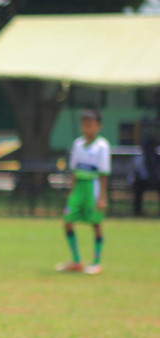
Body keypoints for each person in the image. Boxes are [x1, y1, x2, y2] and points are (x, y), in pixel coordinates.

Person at [56, 109, 110, 275]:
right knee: (68, 221)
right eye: (85, 125)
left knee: (96, 224)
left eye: (91, 125)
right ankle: (77, 261)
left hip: (93, 187)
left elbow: (104, 174)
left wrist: (102, 197)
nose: (88, 129)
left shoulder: (102, 146)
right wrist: (72, 193)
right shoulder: (78, 144)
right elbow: (74, 170)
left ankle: (96, 261)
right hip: (79, 187)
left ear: (99, 126)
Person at [131, 136, 160, 217]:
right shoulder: (139, 158)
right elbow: (135, 172)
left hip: (156, 181)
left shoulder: (157, 158)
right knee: (138, 187)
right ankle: (137, 211)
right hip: (143, 181)